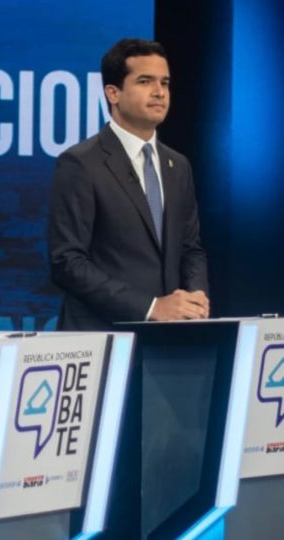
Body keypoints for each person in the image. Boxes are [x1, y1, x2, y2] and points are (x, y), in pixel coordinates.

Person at [48, 38, 209, 330]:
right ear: (113, 93)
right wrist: (151, 307)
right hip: (101, 337)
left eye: (165, 82)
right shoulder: (81, 163)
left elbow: (190, 248)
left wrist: (196, 295)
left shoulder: (179, 165)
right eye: (145, 81)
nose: (159, 92)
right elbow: (67, 262)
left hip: (170, 339)